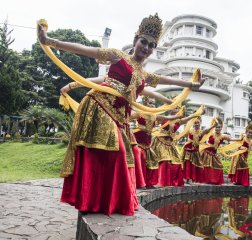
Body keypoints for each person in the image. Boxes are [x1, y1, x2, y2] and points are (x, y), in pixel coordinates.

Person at [37, 13, 206, 215]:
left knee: (120, 157)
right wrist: (49, 41)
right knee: (114, 151)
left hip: (120, 116)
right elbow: (84, 50)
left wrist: (189, 85)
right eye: (144, 42)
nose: (147, 48)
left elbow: (162, 81)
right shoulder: (117, 56)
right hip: (99, 106)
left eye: (152, 45)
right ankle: (95, 200)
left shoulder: (144, 74)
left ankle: (104, 202)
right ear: (135, 40)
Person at [130, 97, 184, 188]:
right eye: (150, 103)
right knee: (141, 159)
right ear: (145, 103)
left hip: (147, 144)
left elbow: (169, 117)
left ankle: (147, 183)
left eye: (154, 104)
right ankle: (138, 183)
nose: (153, 106)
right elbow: (127, 116)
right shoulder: (139, 113)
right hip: (138, 143)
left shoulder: (155, 116)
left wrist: (180, 114)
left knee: (152, 161)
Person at [151, 107, 202, 187]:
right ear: (171, 108)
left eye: (178, 108)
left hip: (171, 144)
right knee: (164, 160)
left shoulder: (179, 121)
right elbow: (153, 121)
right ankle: (160, 182)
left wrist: (197, 113)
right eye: (175, 108)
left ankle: (170, 182)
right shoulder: (164, 117)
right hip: (160, 142)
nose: (177, 110)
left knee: (177, 162)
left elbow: (190, 117)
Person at [199, 118, 240, 185]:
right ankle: (205, 181)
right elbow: (203, 133)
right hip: (206, 152)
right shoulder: (211, 133)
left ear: (221, 128)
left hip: (214, 154)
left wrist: (240, 139)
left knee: (219, 166)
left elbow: (231, 139)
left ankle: (214, 180)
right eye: (216, 127)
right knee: (206, 167)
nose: (217, 128)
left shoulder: (222, 136)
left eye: (219, 127)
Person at [181, 117, 216, 184]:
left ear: (200, 123)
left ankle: (192, 178)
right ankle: (187, 178)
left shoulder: (202, 132)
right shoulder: (190, 130)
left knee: (194, 164)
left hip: (196, 150)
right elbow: (184, 135)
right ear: (193, 123)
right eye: (195, 123)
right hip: (188, 148)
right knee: (188, 163)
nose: (197, 124)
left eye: (198, 123)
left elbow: (209, 129)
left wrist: (214, 125)